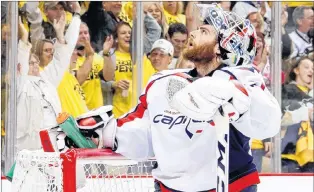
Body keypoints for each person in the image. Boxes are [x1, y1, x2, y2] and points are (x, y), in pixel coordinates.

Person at [71, 4, 280, 192]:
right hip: (168, 188)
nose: (193, 33)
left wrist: (236, 96)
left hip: (230, 185)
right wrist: (105, 134)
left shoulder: (243, 80)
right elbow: (145, 130)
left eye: (204, 31)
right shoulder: (163, 82)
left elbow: (268, 123)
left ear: (222, 46)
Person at [16, 11, 80, 152]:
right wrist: (24, 38)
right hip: (30, 149)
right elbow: (22, 59)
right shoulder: (21, 85)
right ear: (21, 67)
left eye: (36, 62)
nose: (35, 66)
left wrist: (61, 34)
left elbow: (62, 57)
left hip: (54, 145)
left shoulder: (47, 80)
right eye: (30, 63)